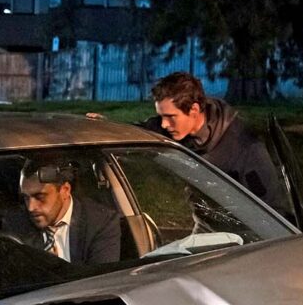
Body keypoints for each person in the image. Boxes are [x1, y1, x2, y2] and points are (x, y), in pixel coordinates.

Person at [89, 71, 290, 215]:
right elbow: (137, 131)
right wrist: (105, 126)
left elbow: (272, 209)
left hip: (240, 235)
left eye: (170, 116)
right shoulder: (171, 127)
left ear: (194, 110)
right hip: (204, 223)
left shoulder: (245, 146)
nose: (164, 124)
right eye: (161, 116)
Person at [3, 155, 121, 265]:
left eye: (40, 197)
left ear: (65, 190)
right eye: (25, 197)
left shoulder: (100, 222)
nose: (30, 207)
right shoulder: (15, 224)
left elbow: (101, 281)